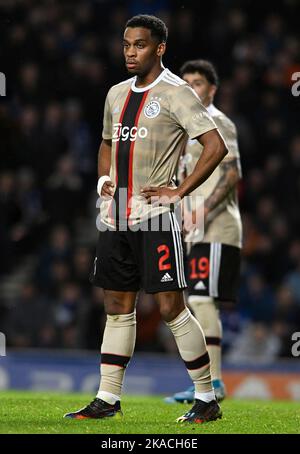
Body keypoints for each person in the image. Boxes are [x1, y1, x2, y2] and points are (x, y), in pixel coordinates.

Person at [64, 16, 227, 424]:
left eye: (139, 45)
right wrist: (104, 178)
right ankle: (107, 397)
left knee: (171, 306)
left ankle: (206, 397)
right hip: (115, 213)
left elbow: (215, 145)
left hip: (153, 215)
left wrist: (180, 190)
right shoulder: (116, 94)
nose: (130, 52)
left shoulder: (176, 93)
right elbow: (105, 143)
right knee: (117, 306)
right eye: (126, 45)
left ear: (159, 48)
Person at [166, 60, 242, 404]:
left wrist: (202, 211)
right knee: (196, 300)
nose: (191, 88)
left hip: (216, 225)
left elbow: (231, 174)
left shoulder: (218, 122)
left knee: (200, 299)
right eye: (187, 83)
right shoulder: (187, 129)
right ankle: (208, 383)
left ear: (212, 89)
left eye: (198, 82)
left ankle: (213, 383)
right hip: (197, 229)